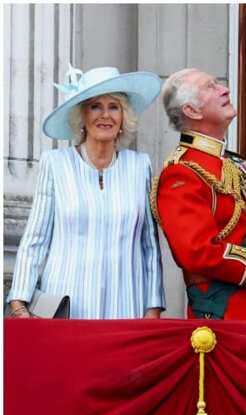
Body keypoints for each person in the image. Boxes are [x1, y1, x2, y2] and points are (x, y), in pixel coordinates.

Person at [7, 65, 164, 319]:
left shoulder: (139, 166)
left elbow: (149, 244)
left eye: (114, 106)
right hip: (66, 308)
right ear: (82, 116)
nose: (105, 115)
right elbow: (36, 238)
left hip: (125, 307)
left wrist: (153, 307)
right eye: (95, 106)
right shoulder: (55, 164)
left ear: (124, 117)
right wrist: (19, 302)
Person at [154, 68, 246, 320]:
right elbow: (198, 252)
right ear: (192, 111)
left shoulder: (238, 164)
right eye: (210, 87)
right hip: (223, 320)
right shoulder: (181, 172)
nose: (224, 89)